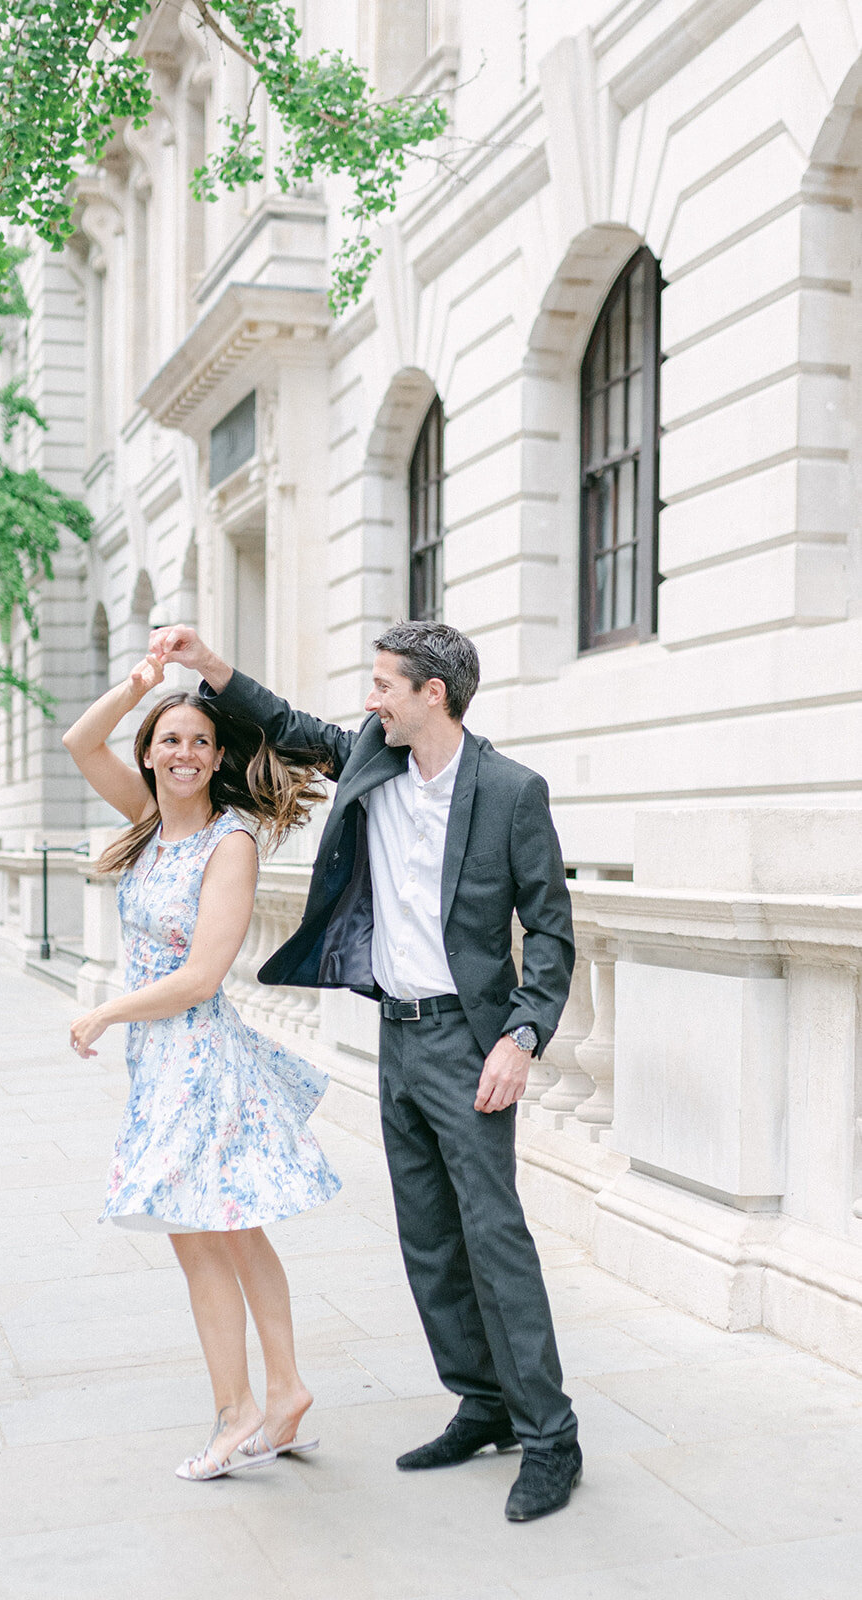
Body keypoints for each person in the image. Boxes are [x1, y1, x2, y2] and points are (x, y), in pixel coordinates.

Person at [148, 620, 582, 1523]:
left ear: (435, 693)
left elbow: (550, 930)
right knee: (426, 1234)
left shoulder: (511, 792)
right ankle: (482, 1404)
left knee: (493, 1237)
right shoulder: (370, 763)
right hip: (397, 1035)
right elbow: (281, 719)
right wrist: (206, 665)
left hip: (472, 1043)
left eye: (385, 682)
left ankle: (551, 1438)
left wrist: (522, 1036)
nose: (370, 697)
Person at [62, 652, 341, 1481]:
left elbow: (202, 976)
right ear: (150, 751)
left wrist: (105, 1010)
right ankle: (284, 1391)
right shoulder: (149, 819)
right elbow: (80, 741)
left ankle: (238, 1412)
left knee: (204, 1239)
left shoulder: (231, 841)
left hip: (199, 1057)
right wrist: (141, 686)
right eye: (169, 740)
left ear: (220, 758)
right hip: (161, 1061)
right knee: (234, 1227)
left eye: (201, 741)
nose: (184, 753)